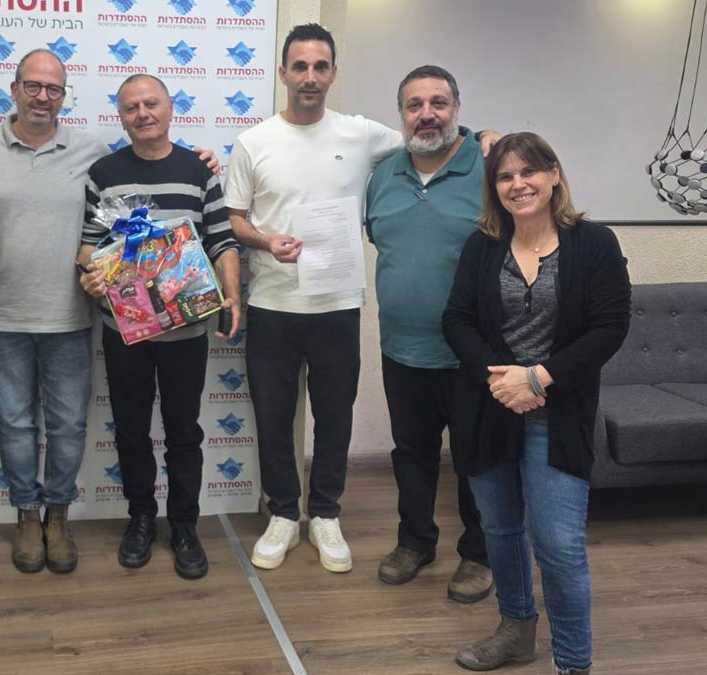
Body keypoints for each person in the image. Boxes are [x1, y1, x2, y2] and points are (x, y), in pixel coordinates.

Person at [0, 50, 217, 575]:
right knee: (16, 423)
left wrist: (202, 159)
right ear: (14, 89)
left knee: (77, 425)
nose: (42, 97)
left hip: (77, 317)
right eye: (33, 86)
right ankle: (30, 517)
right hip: (3, 315)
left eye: (53, 89)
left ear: (64, 96)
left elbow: (155, 206)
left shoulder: (93, 154)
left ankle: (69, 518)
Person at [442, 132, 630, 674]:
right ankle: (516, 632)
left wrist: (537, 379)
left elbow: (610, 327)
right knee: (500, 532)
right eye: (505, 176)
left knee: (559, 545)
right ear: (494, 188)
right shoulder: (482, 246)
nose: (518, 184)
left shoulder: (593, 243)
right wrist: (501, 380)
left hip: (558, 415)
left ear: (553, 174)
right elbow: (456, 319)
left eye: (528, 172)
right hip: (489, 408)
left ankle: (572, 662)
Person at [223, 23, 403, 574]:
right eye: (299, 66)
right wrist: (265, 240)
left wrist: (481, 137)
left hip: (337, 307)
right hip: (272, 306)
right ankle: (283, 513)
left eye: (320, 66)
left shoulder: (361, 134)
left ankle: (325, 513)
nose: (310, 77)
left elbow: (428, 142)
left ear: (332, 73)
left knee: (334, 417)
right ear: (283, 73)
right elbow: (234, 218)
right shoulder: (254, 142)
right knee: (274, 418)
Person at [76, 74, 241, 580]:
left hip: (186, 333)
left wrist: (233, 294)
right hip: (124, 331)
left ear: (171, 108)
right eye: (131, 107)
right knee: (130, 430)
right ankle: (141, 519)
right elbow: (87, 246)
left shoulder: (198, 170)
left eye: (151, 103)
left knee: (184, 432)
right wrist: (92, 273)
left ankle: (185, 526)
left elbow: (222, 240)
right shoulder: (104, 173)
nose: (142, 113)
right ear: (121, 116)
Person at [365, 65, 492, 602]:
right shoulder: (383, 175)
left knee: (475, 458)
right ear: (401, 114)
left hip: (473, 352)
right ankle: (415, 542)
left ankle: (480, 554)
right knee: (411, 452)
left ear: (456, 108)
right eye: (415, 105)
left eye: (438, 102)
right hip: (401, 348)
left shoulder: (488, 166)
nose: (427, 114)